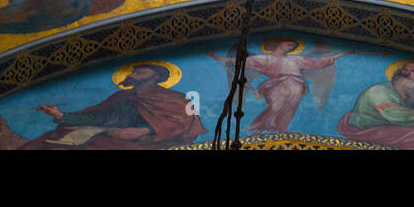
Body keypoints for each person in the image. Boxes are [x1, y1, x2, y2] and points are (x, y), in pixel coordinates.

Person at [26, 63, 203, 149]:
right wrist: (60, 115)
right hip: (112, 135)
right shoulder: (122, 96)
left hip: (153, 142)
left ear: (157, 75)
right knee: (53, 137)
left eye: (142, 71)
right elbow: (96, 117)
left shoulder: (175, 98)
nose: (134, 73)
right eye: (134, 71)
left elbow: (184, 121)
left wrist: (146, 130)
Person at [208, 38, 348, 133]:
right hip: (277, 85)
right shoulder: (265, 59)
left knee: (291, 107)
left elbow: (317, 63)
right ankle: (259, 126)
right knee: (275, 106)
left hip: (296, 85)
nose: (291, 47)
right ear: (278, 44)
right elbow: (241, 62)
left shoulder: (297, 59)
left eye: (293, 46)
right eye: (289, 44)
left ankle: (282, 127)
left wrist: (340, 55)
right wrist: (218, 57)